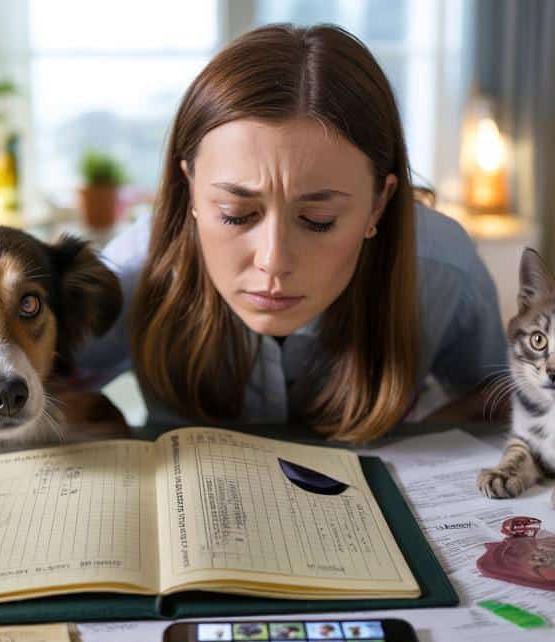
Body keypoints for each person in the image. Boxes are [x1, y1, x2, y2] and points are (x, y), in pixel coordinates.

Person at [77, 24, 506, 443]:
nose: (273, 261)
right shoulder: (133, 271)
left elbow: (496, 397)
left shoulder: (443, 268)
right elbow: (49, 382)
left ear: (379, 203)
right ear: (190, 187)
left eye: (319, 219)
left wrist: (424, 443)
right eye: (236, 214)